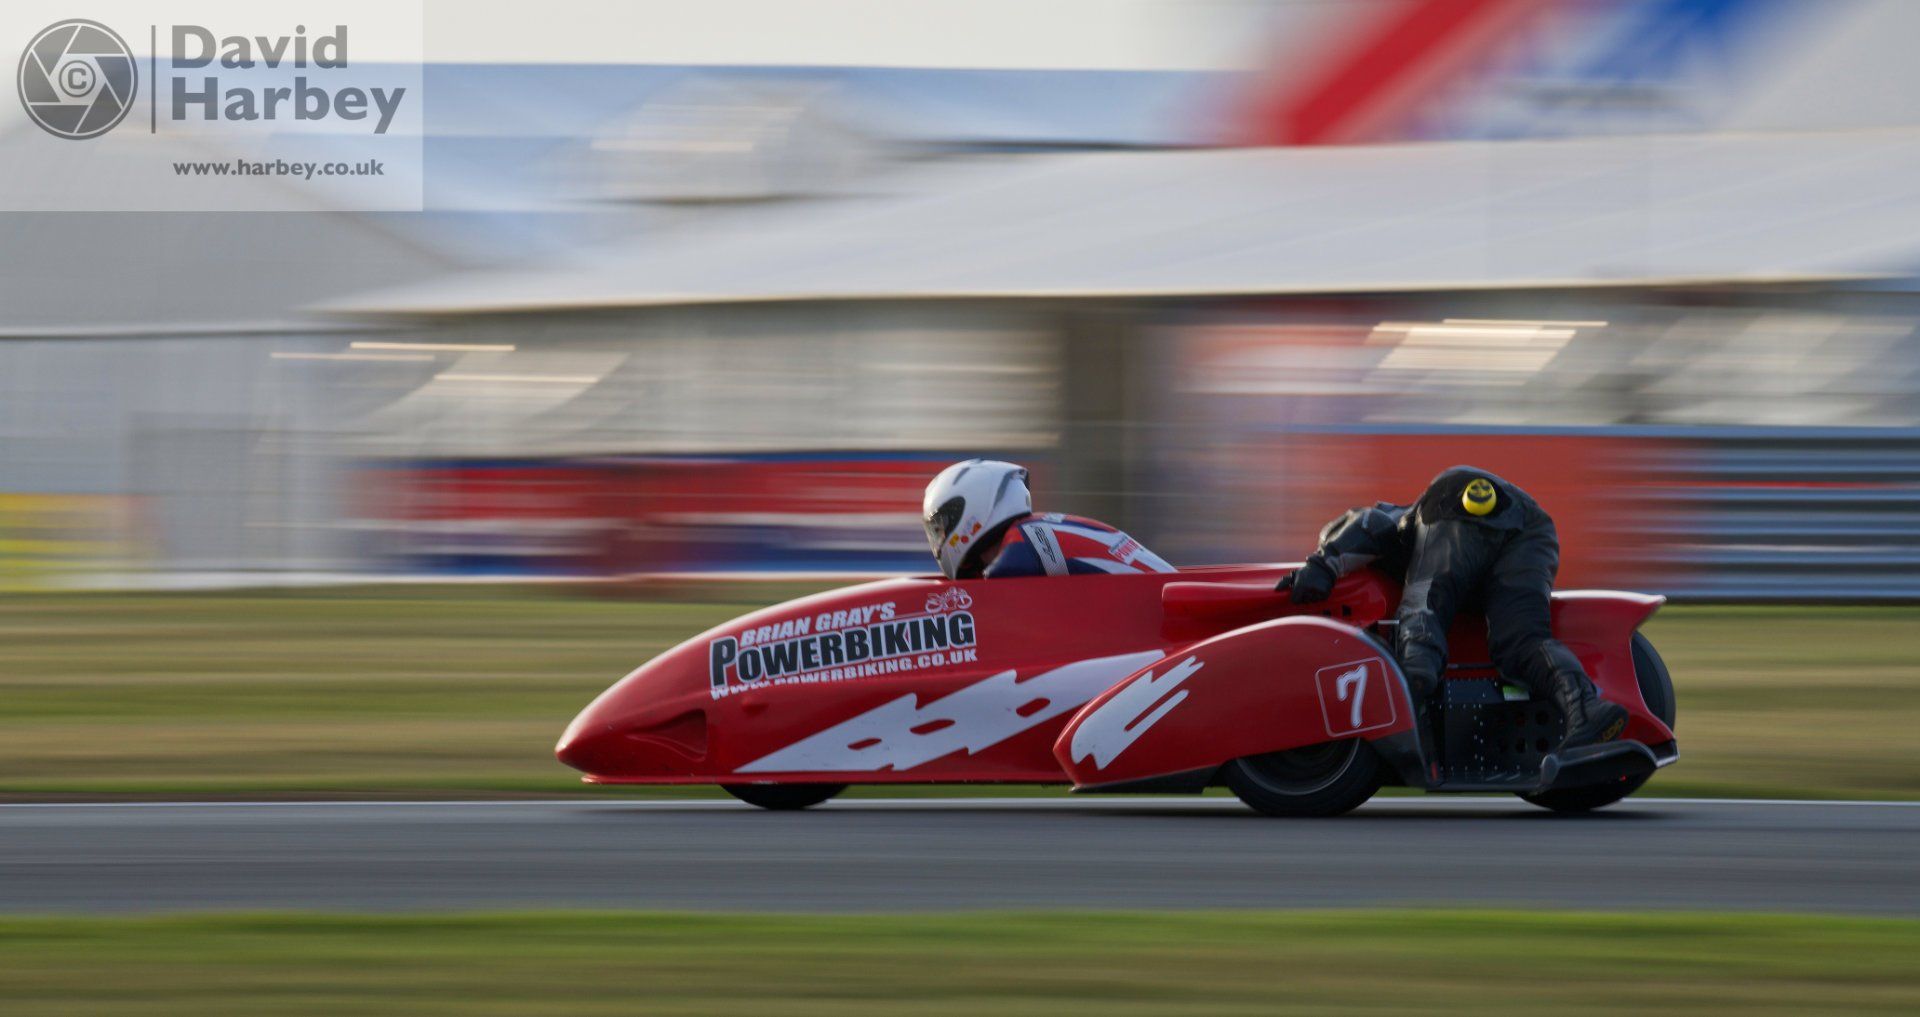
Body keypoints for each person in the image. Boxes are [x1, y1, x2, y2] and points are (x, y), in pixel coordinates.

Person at [1275, 465, 1627, 755]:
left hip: (1456, 498)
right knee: (1520, 642)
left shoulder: (1392, 520)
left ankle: (1412, 698)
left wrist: (1322, 565)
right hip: (1533, 529)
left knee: (1422, 600)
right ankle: (1587, 709)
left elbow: (1368, 524)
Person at [921, 459, 1175, 579]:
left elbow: (988, 600)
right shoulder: (1034, 528)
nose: (940, 539)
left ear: (973, 506)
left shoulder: (1019, 548)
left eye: (941, 528)